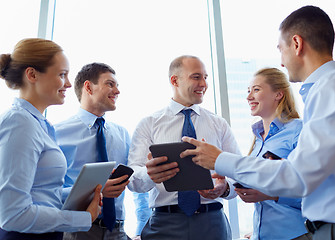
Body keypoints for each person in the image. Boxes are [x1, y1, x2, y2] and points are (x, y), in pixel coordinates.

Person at [181, 5, 335, 240]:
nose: (282, 63)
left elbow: (298, 176)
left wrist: (219, 159)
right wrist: (226, 187)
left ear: (297, 44)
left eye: (281, 50)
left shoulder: (333, 87)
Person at [127, 55, 241, 240]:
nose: (203, 83)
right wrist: (149, 174)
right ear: (175, 80)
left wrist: (225, 188)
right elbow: (133, 180)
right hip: (165, 225)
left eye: (205, 77)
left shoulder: (218, 124)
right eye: (196, 77)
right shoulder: (149, 124)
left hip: (212, 223)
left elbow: (240, 173)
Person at [0, 38, 102, 240]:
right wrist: (83, 218)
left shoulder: (40, 125)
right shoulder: (20, 124)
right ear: (32, 74)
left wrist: (86, 192)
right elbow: (12, 214)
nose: (69, 83)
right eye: (62, 74)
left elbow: (42, 195)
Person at [55, 62, 151, 240]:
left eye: (117, 85)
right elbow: (48, 192)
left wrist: (141, 228)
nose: (117, 91)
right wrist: (94, 192)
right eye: (110, 84)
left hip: (118, 231)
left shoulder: (122, 134)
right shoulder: (57, 133)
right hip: (77, 230)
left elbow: (135, 183)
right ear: (88, 87)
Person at [236, 68, 310, 240]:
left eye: (256, 89)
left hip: (294, 234)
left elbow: (312, 187)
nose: (249, 97)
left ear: (278, 94)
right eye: (248, 91)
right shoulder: (257, 138)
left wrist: (272, 195)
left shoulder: (299, 130)